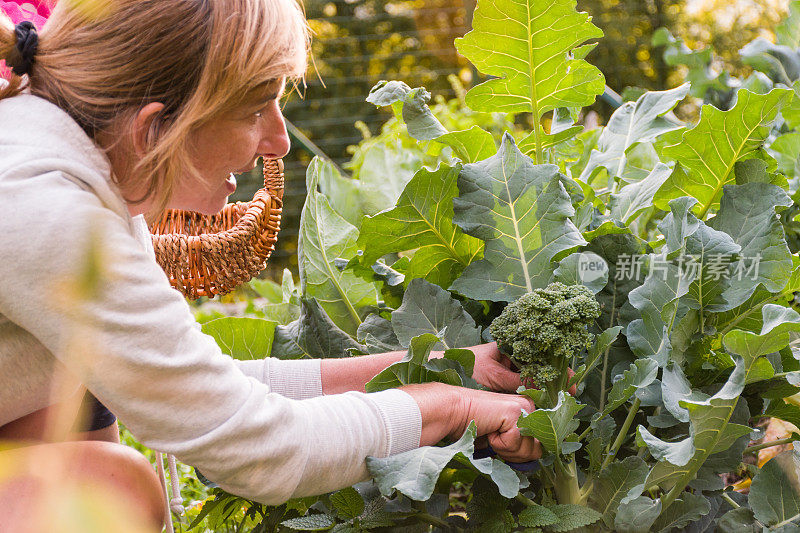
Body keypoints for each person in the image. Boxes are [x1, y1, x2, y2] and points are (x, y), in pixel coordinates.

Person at [0, 0, 542, 530]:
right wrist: (445, 407)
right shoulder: (45, 208)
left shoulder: (88, 164)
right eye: (257, 109)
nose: (279, 140)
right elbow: (258, 446)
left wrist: (446, 368)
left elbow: (206, 390)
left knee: (66, 422)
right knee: (112, 490)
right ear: (154, 129)